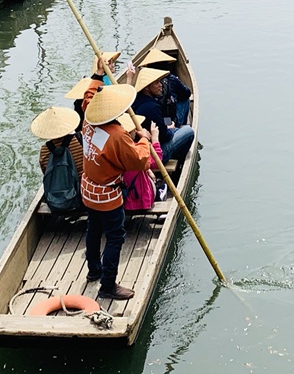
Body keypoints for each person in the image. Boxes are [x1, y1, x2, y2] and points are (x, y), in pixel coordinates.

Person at [81, 83, 153, 300]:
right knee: (115, 237)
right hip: (107, 194)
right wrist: (143, 140)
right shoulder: (117, 135)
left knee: (93, 228)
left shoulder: (88, 121)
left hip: (88, 188)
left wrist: (96, 77)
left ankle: (94, 269)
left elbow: (87, 98)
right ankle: (108, 285)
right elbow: (140, 161)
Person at [132, 66, 195, 166]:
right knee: (188, 131)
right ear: (147, 88)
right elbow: (164, 136)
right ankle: (180, 162)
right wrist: (170, 129)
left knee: (176, 129)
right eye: (156, 82)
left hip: (145, 146)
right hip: (155, 152)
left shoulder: (136, 100)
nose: (161, 85)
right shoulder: (152, 107)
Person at [34, 106, 84, 175]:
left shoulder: (45, 150)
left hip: (59, 184)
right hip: (80, 182)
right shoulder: (80, 139)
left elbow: (45, 171)